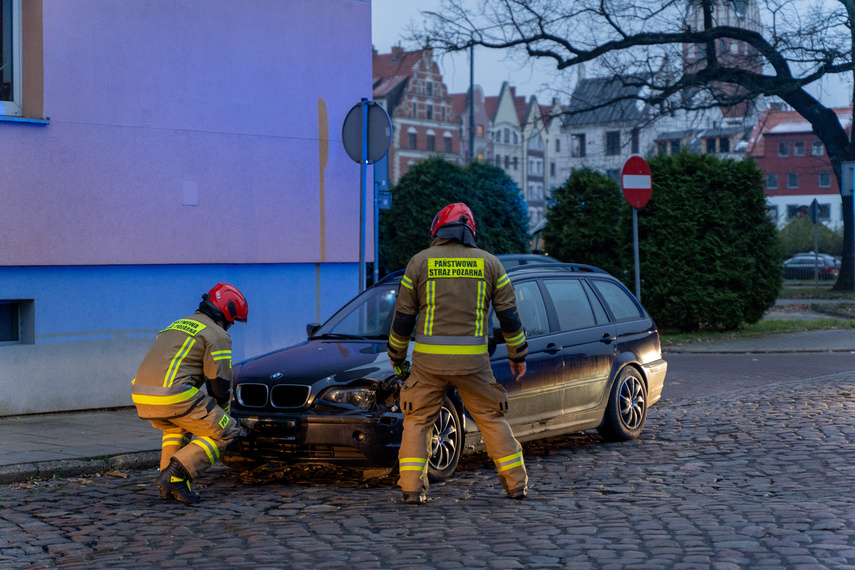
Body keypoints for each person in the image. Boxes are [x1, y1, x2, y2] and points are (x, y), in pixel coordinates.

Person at [387, 203, 529, 504]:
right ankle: (516, 484)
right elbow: (510, 317)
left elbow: (402, 318)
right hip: (474, 365)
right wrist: (518, 356)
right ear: (470, 230)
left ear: (439, 229)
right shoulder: (490, 264)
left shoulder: (419, 263)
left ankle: (412, 488)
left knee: (417, 421)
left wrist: (396, 356)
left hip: (428, 365)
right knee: (491, 418)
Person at [131, 283, 248, 504]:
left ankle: (170, 486)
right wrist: (224, 417)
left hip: (141, 395)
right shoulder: (217, 334)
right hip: (173, 395)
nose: (231, 325)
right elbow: (219, 383)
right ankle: (176, 476)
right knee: (227, 431)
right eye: (233, 320)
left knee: (177, 428)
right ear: (227, 311)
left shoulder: (176, 325)